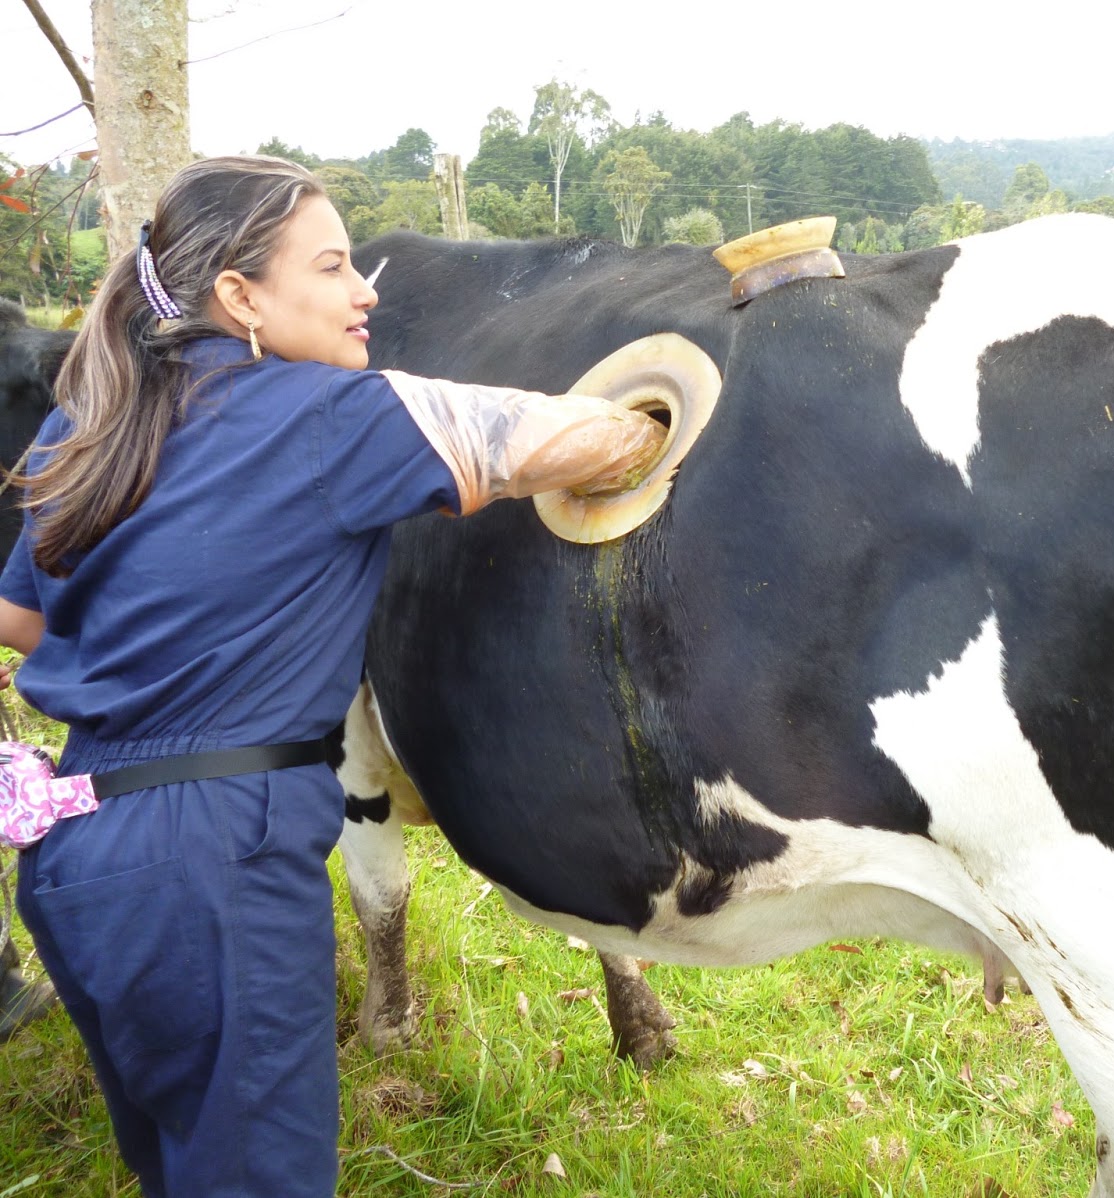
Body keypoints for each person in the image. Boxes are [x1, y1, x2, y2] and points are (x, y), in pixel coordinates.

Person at [0, 155, 664, 1196]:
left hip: (75, 850)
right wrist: (660, 411)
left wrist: (171, 648)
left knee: (182, 1164)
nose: (367, 292)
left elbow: (24, 617)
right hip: (216, 857)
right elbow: (585, 441)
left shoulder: (88, 419)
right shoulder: (328, 419)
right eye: (333, 266)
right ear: (240, 297)